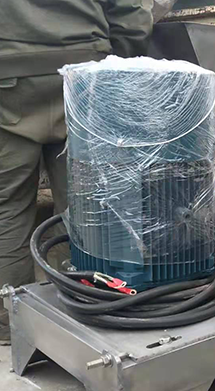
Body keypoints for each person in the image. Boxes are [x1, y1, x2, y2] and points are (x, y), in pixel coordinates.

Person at [0, 0, 153, 345]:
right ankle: (77, 307)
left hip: (8, 76)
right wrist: (111, 64)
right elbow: (132, 12)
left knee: (6, 208)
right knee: (87, 206)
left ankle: (10, 323)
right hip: (86, 73)